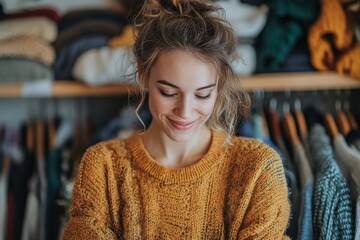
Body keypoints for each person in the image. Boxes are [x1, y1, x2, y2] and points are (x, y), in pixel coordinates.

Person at [63, 0, 290, 239]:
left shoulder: (257, 169)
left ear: (219, 85)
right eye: (169, 93)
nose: (185, 111)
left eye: (203, 95)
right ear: (143, 73)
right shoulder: (103, 167)